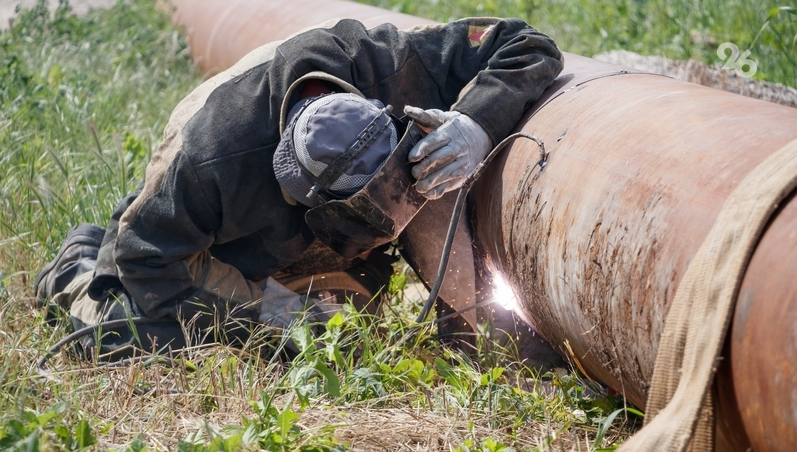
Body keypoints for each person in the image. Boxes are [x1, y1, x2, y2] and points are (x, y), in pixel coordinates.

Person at [34, 17, 564, 359]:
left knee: (345, 328)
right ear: (304, 200)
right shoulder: (207, 161)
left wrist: (476, 122)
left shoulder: (387, 64)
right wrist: (273, 310)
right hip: (204, 246)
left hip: (303, 236)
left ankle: (464, 328)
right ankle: (75, 264)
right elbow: (144, 259)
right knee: (131, 334)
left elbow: (527, 44)